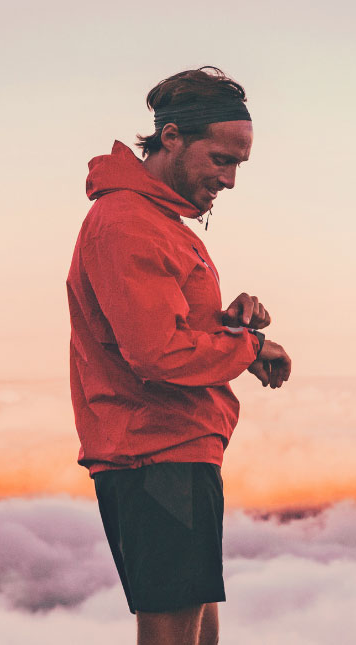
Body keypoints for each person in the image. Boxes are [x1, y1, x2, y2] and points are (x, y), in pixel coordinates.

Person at [67, 66, 292, 645]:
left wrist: (226, 324)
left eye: (238, 163)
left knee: (199, 634)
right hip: (155, 456)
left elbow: (162, 331)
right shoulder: (128, 223)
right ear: (171, 137)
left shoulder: (156, 222)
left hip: (174, 451)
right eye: (221, 159)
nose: (231, 179)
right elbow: (157, 354)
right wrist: (249, 346)